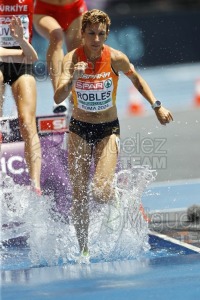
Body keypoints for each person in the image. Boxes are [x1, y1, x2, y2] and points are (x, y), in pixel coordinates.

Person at [54, 9, 173, 256]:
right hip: (78, 129)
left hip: (108, 129)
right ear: (82, 34)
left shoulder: (116, 58)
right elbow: (58, 96)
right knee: (78, 195)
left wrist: (157, 106)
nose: (96, 39)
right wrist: (74, 78)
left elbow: (137, 80)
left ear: (106, 34)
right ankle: (83, 250)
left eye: (101, 34)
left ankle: (115, 198)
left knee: (99, 191)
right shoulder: (70, 60)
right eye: (91, 34)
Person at [0, 1, 42, 195]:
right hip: (8, 60)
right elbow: (27, 55)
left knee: (27, 121)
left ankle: (35, 185)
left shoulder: (29, 2)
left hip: (22, 64)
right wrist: (21, 53)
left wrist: (21, 41)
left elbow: (32, 57)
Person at [33, 0, 88, 113]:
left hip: (75, 9)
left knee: (77, 54)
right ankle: (59, 94)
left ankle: (75, 106)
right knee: (56, 36)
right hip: (45, 10)